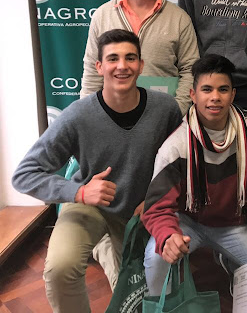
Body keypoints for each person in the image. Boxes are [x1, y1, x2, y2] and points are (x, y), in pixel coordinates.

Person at [13, 29, 182, 313]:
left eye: (130, 58)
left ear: (141, 65)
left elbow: (179, 165)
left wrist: (156, 199)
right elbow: (24, 175)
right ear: (99, 67)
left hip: (141, 211)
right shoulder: (78, 115)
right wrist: (78, 192)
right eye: (113, 59)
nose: (122, 66)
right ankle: (102, 244)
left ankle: (105, 246)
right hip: (89, 206)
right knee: (60, 268)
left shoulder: (165, 109)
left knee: (135, 299)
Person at [142, 54, 247, 295]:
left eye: (223, 89)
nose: (215, 97)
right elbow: (156, 207)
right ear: (193, 94)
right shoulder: (176, 144)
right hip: (188, 222)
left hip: (236, 223)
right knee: (157, 260)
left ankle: (228, 260)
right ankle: (165, 305)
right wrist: (168, 236)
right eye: (207, 89)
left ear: (233, 94)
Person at [81, 0, 199, 115]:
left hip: (161, 115)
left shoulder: (179, 19)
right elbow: (92, 70)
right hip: (111, 115)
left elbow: (190, 70)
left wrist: (175, 110)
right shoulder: (103, 15)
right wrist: (89, 115)